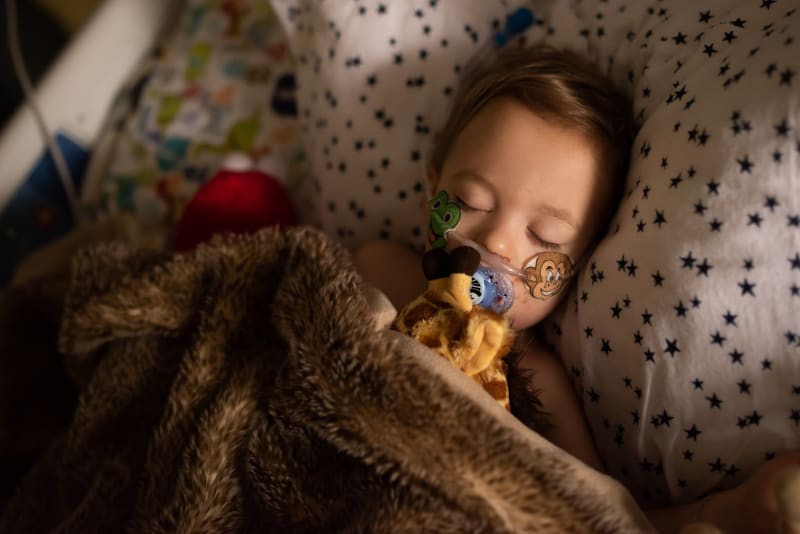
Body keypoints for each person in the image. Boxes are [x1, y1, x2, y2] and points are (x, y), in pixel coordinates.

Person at [352, 44, 800, 533]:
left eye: (545, 236)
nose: (497, 241)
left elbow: (598, 512)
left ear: (580, 263)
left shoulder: (536, 378)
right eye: (470, 199)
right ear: (430, 192)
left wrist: (720, 514)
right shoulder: (378, 267)